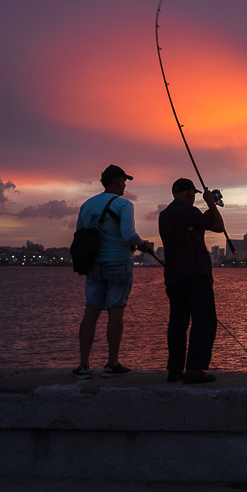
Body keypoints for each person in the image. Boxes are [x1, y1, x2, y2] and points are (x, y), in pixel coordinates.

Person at [73, 164, 154, 380]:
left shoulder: (87, 205)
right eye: (124, 181)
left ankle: (83, 366)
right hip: (118, 262)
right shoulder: (124, 204)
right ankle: (112, 364)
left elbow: (80, 233)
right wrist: (144, 245)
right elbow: (129, 234)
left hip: (94, 264)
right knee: (115, 312)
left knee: (91, 312)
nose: (125, 185)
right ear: (119, 181)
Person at [158, 178, 226, 384]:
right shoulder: (189, 212)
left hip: (173, 278)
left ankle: (175, 370)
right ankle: (195, 370)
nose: (195, 198)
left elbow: (193, 227)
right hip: (195, 275)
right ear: (189, 193)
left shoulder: (165, 215)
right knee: (203, 321)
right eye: (195, 195)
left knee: (178, 324)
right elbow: (219, 227)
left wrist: (205, 211)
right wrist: (211, 204)